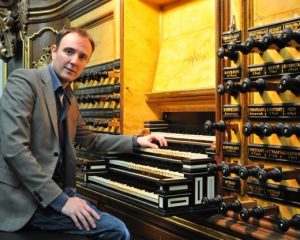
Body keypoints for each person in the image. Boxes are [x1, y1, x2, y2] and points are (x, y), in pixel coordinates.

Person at [0, 27, 167, 239]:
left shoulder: (69, 98)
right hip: (24, 199)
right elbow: (14, 149)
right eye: (68, 52)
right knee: (117, 231)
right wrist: (62, 202)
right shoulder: (24, 82)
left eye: (82, 57)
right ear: (54, 51)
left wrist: (136, 141)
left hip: (59, 190)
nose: (74, 61)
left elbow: (91, 139)